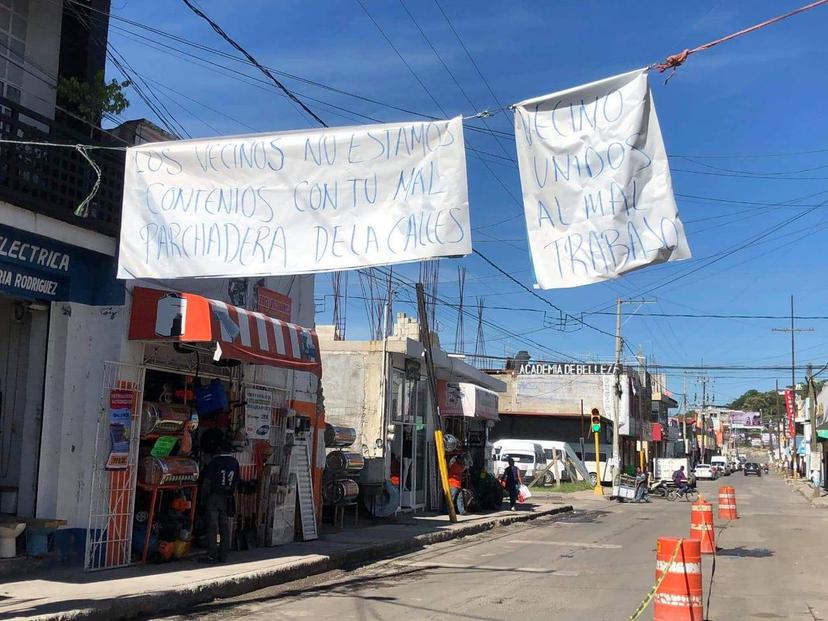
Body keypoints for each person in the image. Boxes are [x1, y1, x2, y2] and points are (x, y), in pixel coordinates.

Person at [200, 438, 240, 563]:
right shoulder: (234, 462)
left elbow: (207, 482)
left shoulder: (214, 462)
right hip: (227, 497)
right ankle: (224, 554)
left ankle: (212, 554)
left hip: (214, 496)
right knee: (224, 526)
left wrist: (203, 499)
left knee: (212, 526)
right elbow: (237, 480)